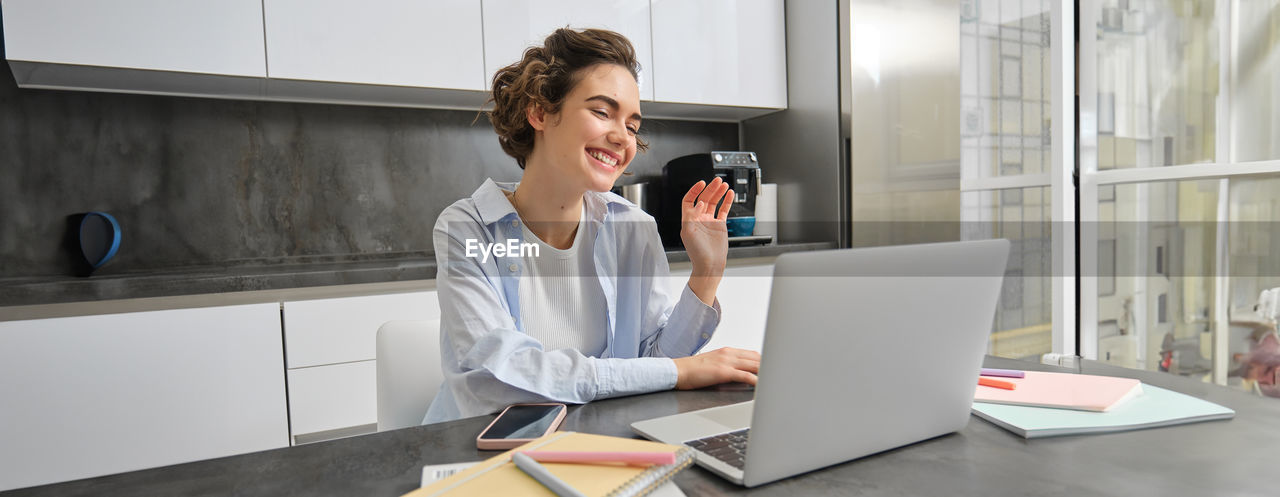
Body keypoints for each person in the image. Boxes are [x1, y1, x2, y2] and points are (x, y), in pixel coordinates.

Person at [423, 28, 760, 424]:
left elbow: (653, 363)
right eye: (602, 112)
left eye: (632, 126)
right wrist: (678, 373)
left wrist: (706, 275)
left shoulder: (632, 228)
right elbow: (502, 380)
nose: (622, 137)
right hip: (481, 452)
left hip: (598, 445)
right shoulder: (469, 230)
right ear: (540, 113)